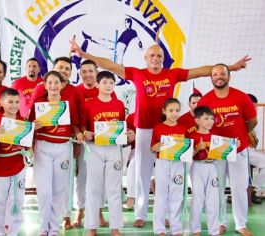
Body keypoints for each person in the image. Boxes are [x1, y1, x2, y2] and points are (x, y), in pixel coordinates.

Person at [70, 38, 251, 227]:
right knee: (142, 172)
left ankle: (165, 214)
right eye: (152, 55)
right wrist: (84, 55)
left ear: (164, 59)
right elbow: (110, 65)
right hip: (144, 130)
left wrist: (229, 68)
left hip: (168, 132)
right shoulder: (136, 73)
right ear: (146, 58)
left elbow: (200, 70)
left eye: (159, 55)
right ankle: (140, 213)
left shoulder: (173, 74)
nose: (155, 58)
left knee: (166, 176)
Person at [197, 64, 257, 236]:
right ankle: (221, 222)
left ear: (229, 76)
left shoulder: (241, 97)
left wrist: (244, 132)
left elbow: (252, 120)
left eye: (222, 73)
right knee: (217, 188)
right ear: (211, 78)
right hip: (217, 151)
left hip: (239, 150)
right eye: (215, 74)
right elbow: (201, 125)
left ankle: (240, 224)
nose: (219, 76)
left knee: (239, 188)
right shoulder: (205, 100)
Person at [29, 71, 82, 236]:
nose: (53, 86)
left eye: (56, 82)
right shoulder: (38, 103)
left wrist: (78, 134)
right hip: (43, 147)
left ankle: (54, 228)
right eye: (49, 82)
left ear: (62, 84)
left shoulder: (68, 103)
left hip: (63, 148)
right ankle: (43, 228)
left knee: (59, 190)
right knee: (44, 191)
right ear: (44, 85)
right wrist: (33, 126)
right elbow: (28, 126)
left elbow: (74, 125)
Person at [82, 71, 133, 236]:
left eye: (111, 83)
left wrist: (128, 133)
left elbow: (121, 127)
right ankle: (91, 227)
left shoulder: (118, 105)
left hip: (113, 149)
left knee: (114, 189)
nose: (108, 85)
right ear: (97, 84)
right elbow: (83, 126)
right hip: (95, 148)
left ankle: (115, 228)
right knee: (93, 189)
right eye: (105, 82)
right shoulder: (89, 104)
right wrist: (85, 133)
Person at [72, 59, 111, 228]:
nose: (88, 74)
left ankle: (98, 211)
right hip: (82, 142)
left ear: (97, 72)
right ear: (80, 74)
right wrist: (81, 134)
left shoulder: (106, 89)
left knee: (99, 180)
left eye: (91, 71)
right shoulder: (76, 92)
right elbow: (74, 117)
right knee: (82, 178)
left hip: (103, 144)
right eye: (84, 71)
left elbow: (113, 117)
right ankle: (80, 210)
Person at [0, 88, 29, 236]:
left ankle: (13, 231)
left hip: (19, 165)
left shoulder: (22, 121)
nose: (14, 105)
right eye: (10, 101)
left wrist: (29, 149)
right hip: (0, 166)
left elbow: (27, 145)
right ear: (1, 103)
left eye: (17, 102)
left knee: (17, 200)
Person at [150, 98, 187, 236]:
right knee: (161, 196)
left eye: (177, 110)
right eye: (171, 110)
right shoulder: (158, 128)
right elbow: (152, 149)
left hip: (178, 164)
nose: (174, 113)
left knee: (176, 197)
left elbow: (187, 149)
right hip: (162, 163)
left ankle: (176, 229)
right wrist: (155, 147)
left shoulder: (183, 128)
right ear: (164, 111)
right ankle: (159, 229)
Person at [189, 106, 220, 236]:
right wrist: (197, 148)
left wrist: (234, 146)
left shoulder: (216, 137)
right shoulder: (192, 136)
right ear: (197, 120)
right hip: (197, 167)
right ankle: (195, 230)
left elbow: (221, 154)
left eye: (212, 118)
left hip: (212, 167)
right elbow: (187, 155)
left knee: (213, 200)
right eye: (206, 118)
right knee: (198, 199)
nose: (210, 121)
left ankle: (214, 230)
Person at [246, 93, 264, 205]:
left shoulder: (252, 120)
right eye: (253, 106)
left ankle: (252, 188)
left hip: (249, 151)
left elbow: (255, 143)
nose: (254, 109)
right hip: (240, 150)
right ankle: (251, 189)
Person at [124, 113, 136, 210]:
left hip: (157, 150)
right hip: (137, 149)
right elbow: (126, 140)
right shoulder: (132, 117)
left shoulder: (160, 115)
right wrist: (130, 137)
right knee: (133, 164)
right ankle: (131, 197)